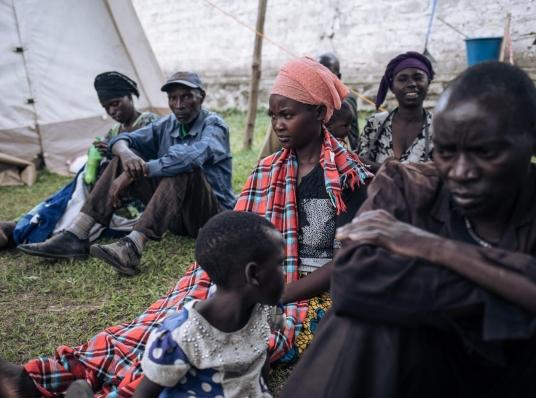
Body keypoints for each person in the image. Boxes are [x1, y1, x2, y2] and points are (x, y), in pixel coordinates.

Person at [0, 57, 371, 398]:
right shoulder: (271, 168)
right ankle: (52, 375)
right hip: (253, 274)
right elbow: (247, 232)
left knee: (223, 340)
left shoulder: (345, 178)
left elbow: (344, 262)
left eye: (287, 115)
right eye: (273, 115)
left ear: (320, 112)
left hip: (300, 295)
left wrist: (277, 293)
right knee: (173, 316)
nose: (277, 125)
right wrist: (235, 282)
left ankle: (117, 391)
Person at [281, 62, 536, 397]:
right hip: (428, 362)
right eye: (445, 151)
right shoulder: (405, 185)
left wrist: (432, 248)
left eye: (485, 152)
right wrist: (512, 296)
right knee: (362, 321)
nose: (460, 171)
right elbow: (353, 283)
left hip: (518, 375)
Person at [17, 71, 236, 276]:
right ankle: (77, 234)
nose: (178, 105)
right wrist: (125, 155)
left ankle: (132, 246)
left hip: (210, 217)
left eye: (186, 97)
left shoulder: (214, 125)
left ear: (202, 97)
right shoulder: (167, 124)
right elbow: (123, 140)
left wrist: (131, 174)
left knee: (183, 167)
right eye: (172, 98)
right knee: (126, 157)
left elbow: (190, 159)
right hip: (178, 219)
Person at [0, 72, 158, 250]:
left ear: (129, 97)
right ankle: (21, 226)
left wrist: (116, 155)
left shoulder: (149, 122)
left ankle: (22, 230)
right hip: (107, 190)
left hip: (136, 192)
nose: (112, 111)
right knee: (75, 189)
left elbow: (148, 160)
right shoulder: (114, 130)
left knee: (77, 200)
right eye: (106, 107)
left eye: (115, 103)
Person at [133, 211, 284, 398]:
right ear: (253, 274)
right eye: (280, 264)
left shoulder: (266, 311)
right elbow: (144, 394)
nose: (284, 274)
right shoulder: (182, 336)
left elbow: (262, 356)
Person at [258, 52, 360, 158]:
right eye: (315, 76)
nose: (278, 125)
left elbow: (354, 139)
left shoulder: (342, 107)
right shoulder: (268, 169)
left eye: (326, 78)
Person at [357, 51, 434, 173]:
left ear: (428, 82)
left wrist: (381, 168)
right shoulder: (375, 124)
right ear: (392, 87)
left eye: (418, 78)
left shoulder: (439, 128)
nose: (411, 84)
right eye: (403, 79)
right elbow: (360, 167)